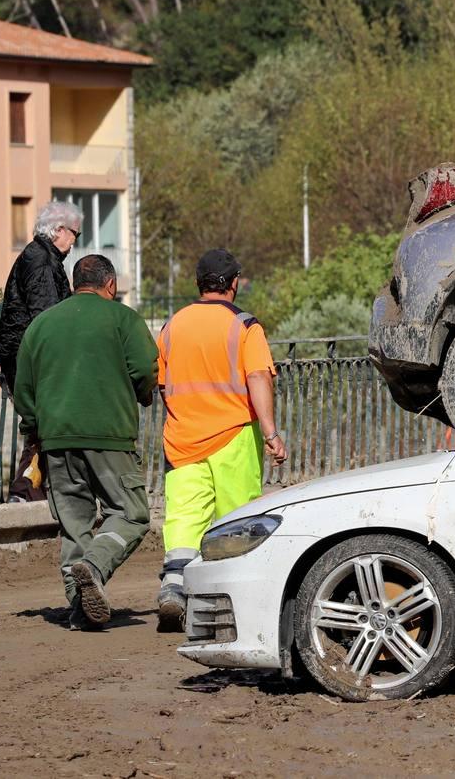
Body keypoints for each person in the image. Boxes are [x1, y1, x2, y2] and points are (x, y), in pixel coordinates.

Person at [13, 255, 157, 629]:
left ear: (76, 282)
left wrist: (35, 430)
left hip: (55, 440)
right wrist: (143, 394)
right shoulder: (124, 319)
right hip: (109, 436)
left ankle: (80, 611)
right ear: (110, 284)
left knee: (74, 525)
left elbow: (23, 387)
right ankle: (93, 567)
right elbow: (144, 369)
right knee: (130, 513)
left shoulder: (41, 325)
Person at [156, 249, 287, 631]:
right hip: (233, 436)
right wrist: (271, 433)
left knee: (183, 518)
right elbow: (258, 377)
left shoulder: (172, 326)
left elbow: (163, 384)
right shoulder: (244, 326)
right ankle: (231, 602)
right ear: (233, 284)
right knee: (237, 518)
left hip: (181, 437)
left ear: (199, 283)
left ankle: (174, 587)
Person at [0, 199, 82, 502]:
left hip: (23, 355)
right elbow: (47, 316)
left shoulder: (41, 257)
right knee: (43, 425)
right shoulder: (41, 261)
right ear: (59, 230)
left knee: (43, 426)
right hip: (31, 358)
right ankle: (26, 491)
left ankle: (31, 490)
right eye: (75, 234)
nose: (75, 242)